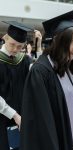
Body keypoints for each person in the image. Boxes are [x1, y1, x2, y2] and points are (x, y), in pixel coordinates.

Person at [20, 9, 73, 150]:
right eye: (72, 42)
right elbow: (43, 122)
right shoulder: (41, 71)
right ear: (58, 41)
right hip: (63, 141)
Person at [0, 21, 34, 150]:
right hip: (3, 118)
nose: (15, 49)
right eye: (12, 44)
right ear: (5, 38)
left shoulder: (25, 60)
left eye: (20, 46)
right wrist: (14, 115)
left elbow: (36, 77)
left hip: (23, 118)